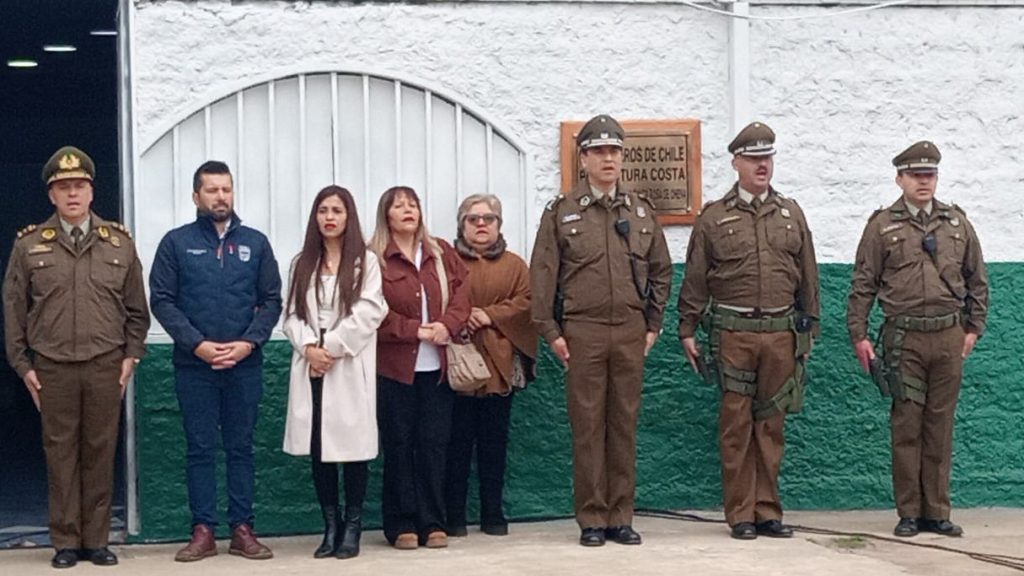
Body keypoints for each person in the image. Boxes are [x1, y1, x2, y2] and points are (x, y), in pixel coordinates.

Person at [3, 146, 150, 569]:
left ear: (91, 192)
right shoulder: (29, 245)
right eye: (64, 187)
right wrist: (23, 365)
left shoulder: (118, 242)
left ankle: (97, 541)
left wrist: (131, 357)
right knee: (60, 454)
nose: (72, 194)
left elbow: (137, 310)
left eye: (79, 186)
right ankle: (66, 541)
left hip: (105, 364)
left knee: (100, 452)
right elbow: (13, 309)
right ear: (51, 194)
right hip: (52, 367)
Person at [530, 114, 673, 547]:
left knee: (624, 425)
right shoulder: (562, 212)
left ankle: (620, 517)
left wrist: (653, 324)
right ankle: (592, 518)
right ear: (584, 159)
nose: (608, 159)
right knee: (588, 426)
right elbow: (543, 275)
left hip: (630, 330)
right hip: (583, 331)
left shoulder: (641, 210)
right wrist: (551, 332)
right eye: (599, 151)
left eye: (614, 151)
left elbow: (661, 270)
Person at [677, 121, 819, 540]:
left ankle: (768, 510)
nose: (762, 165)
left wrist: (809, 331)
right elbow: (696, 278)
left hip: (780, 334)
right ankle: (740, 513)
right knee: (736, 425)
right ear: (736, 162)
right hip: (733, 336)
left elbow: (808, 277)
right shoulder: (714, 217)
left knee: (771, 426)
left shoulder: (791, 214)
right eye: (754, 158)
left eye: (767, 158)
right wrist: (687, 328)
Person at [847, 141, 988, 538]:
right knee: (907, 424)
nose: (923, 182)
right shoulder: (881, 226)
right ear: (900, 179)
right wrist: (859, 334)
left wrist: (973, 328)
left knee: (940, 425)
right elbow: (863, 284)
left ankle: (937, 511)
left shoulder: (957, 224)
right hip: (904, 337)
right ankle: (909, 511)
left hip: (947, 335)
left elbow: (977, 279)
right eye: (915, 175)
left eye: (930, 175)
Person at [149, 160, 282, 561]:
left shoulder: (256, 243)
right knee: (200, 448)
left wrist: (248, 343)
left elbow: (272, 300)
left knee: (241, 447)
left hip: (245, 365)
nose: (220, 197)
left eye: (226, 189)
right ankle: (203, 530)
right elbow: (162, 300)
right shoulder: (175, 243)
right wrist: (197, 345)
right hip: (195, 366)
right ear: (196, 196)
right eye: (212, 190)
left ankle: (242, 529)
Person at [282, 185, 387, 559]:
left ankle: (353, 525)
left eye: (337, 211)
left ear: (348, 217)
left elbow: (370, 311)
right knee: (318, 447)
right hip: (312, 363)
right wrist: (310, 348)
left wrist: (332, 347)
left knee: (353, 446)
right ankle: (330, 525)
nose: (329, 217)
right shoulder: (301, 263)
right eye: (323, 210)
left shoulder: (366, 262)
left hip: (347, 360)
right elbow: (291, 314)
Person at [370, 185, 471, 550]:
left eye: (412, 204)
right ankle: (401, 523)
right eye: (399, 206)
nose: (408, 210)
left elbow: (462, 293)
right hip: (394, 368)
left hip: (437, 368)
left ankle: (433, 521)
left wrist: (448, 325)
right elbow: (372, 311)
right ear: (386, 215)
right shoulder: (374, 258)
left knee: (434, 445)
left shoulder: (440, 252)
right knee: (399, 445)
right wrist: (413, 329)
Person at [444, 194, 537, 538]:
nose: (481, 224)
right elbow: (437, 299)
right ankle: (454, 515)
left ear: (499, 224)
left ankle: (492, 513)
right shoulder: (446, 261)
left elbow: (528, 302)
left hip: (500, 367)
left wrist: (490, 315)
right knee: (456, 445)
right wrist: (463, 315)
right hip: (459, 365)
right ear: (462, 225)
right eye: (473, 219)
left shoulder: (515, 265)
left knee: (494, 445)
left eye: (488, 218)